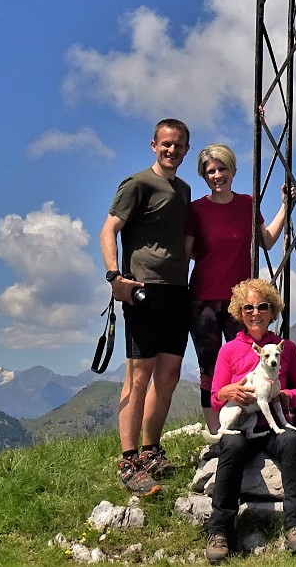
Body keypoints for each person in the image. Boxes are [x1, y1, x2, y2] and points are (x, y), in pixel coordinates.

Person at [99, 118, 192, 496]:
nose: (172, 150)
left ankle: (152, 451)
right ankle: (128, 460)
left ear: (186, 149)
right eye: (166, 144)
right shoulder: (137, 183)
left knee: (168, 375)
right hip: (143, 291)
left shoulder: (184, 189)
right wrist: (114, 277)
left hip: (177, 291)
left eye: (180, 145)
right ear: (154, 145)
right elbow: (108, 229)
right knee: (138, 377)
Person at [204, 278, 296, 563]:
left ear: (272, 311)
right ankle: (220, 531)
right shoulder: (229, 350)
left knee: (291, 440)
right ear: (240, 312)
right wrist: (228, 391)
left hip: (273, 427)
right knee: (232, 448)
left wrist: (287, 396)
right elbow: (215, 396)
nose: (255, 312)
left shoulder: (284, 349)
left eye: (262, 306)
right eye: (248, 307)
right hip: (241, 426)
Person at [188, 143, 292, 434]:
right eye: (210, 171)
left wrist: (286, 206)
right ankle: (215, 433)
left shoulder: (247, 204)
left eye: (222, 169)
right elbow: (188, 252)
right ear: (204, 176)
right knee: (209, 365)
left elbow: (267, 240)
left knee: (247, 361)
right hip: (202, 299)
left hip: (241, 302)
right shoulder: (196, 210)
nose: (217, 175)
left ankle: (249, 426)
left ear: (233, 171)